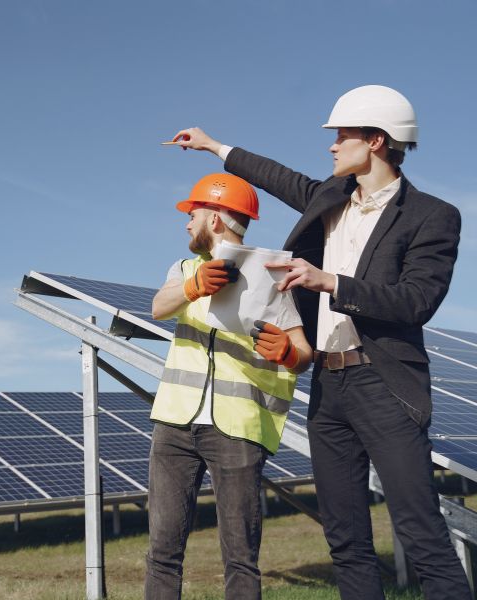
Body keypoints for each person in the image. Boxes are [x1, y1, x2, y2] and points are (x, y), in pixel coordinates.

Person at [168, 85, 470, 599]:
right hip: (329, 390)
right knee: (346, 540)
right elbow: (276, 176)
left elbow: (416, 300)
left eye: (342, 136)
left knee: (423, 536)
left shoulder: (433, 216)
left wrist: (329, 281)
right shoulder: (329, 198)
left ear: (376, 140)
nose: (332, 146)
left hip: (385, 386)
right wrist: (214, 146)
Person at [146, 172, 313, 600]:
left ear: (216, 219)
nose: (186, 223)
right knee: (162, 549)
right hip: (174, 426)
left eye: (193, 213)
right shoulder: (183, 268)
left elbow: (302, 350)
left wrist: (289, 354)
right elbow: (158, 307)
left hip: (238, 429)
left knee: (240, 556)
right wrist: (192, 287)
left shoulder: (272, 278)